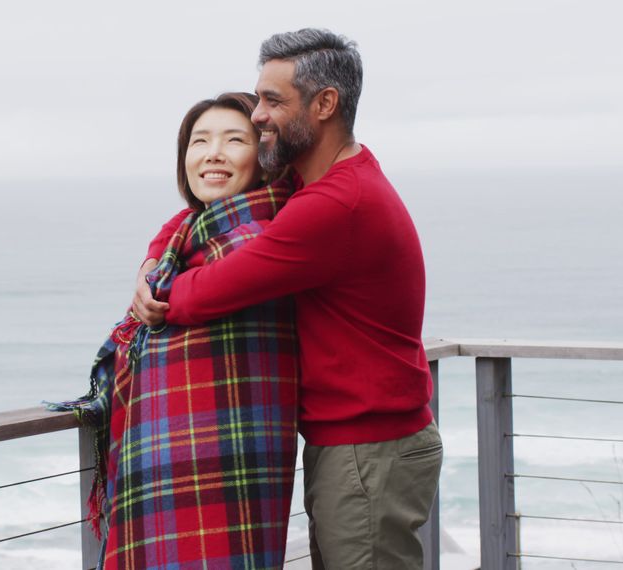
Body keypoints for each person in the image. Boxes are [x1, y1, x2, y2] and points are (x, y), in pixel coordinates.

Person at [134, 29, 443, 569]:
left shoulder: (334, 204)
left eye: (274, 101)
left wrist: (157, 293)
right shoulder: (319, 180)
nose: (258, 116)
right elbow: (191, 218)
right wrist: (153, 258)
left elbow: (211, 291)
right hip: (358, 444)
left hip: (367, 449)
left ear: (325, 104)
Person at [52, 92, 299, 569]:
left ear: (264, 157)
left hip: (234, 464)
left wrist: (154, 274)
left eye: (234, 140)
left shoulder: (269, 242)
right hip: (164, 463)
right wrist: (150, 262)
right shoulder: (189, 238)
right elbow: (179, 229)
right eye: (199, 141)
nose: (213, 154)